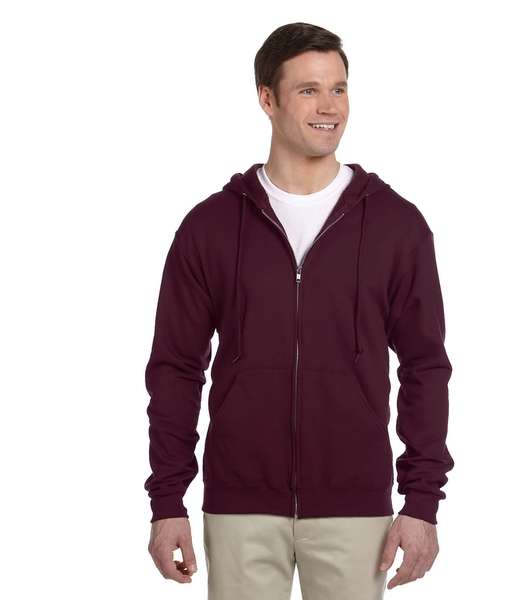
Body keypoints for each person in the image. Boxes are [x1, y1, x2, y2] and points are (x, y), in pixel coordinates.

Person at [144, 22, 454, 599]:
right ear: (267, 99)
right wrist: (167, 500)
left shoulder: (395, 226)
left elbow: (425, 368)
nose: (329, 107)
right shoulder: (212, 227)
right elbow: (175, 369)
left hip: (355, 506)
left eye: (338, 89)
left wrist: (421, 501)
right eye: (309, 90)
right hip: (239, 507)